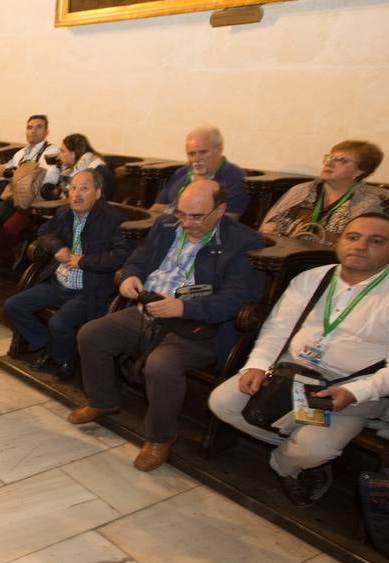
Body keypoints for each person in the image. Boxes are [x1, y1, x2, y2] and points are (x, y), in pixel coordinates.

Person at [209, 212, 389, 507]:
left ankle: (286, 463)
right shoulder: (311, 278)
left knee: (313, 450)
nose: (361, 246)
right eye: (353, 237)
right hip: (291, 372)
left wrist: (354, 392)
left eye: (375, 241)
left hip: (348, 387)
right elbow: (277, 329)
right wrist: (258, 365)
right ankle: (300, 441)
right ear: (340, 242)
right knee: (222, 403)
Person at [69, 179, 266, 470]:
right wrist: (128, 278)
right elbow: (137, 260)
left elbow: (237, 300)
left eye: (196, 216)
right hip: (148, 311)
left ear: (220, 210)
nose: (186, 222)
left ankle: (160, 437)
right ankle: (103, 399)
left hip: (197, 328)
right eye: (181, 214)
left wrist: (183, 306)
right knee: (92, 334)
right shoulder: (165, 227)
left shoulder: (242, 242)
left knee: (161, 365)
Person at [4, 170, 130, 381]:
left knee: (59, 323)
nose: (76, 194)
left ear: (98, 193)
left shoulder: (113, 220)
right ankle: (46, 346)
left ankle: (64, 360)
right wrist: (57, 248)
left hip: (87, 289)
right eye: (72, 188)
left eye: (84, 188)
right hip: (58, 282)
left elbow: (121, 256)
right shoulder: (65, 213)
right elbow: (44, 231)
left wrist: (83, 261)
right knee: (13, 305)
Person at [260, 140, 388, 246]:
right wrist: (268, 230)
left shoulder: (372, 203)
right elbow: (267, 225)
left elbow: (367, 246)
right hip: (283, 258)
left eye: (341, 160)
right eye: (329, 157)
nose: (329, 163)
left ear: (360, 171)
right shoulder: (300, 190)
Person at [0, 114, 62, 266]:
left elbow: (51, 178)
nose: (33, 131)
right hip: (12, 198)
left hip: (33, 203)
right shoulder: (21, 153)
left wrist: (17, 175)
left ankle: (5, 253)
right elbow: (1, 171)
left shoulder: (51, 152)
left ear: (46, 132)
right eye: (30, 127)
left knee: (10, 227)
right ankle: (14, 246)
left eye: (39, 127)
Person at [150, 125, 249, 219]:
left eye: (203, 152)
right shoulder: (181, 173)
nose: (196, 159)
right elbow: (157, 209)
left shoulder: (235, 179)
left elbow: (226, 221)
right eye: (191, 154)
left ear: (219, 149)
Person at [56, 133, 116, 200]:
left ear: (73, 154)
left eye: (62, 151)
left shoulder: (97, 171)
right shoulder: (81, 167)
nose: (59, 156)